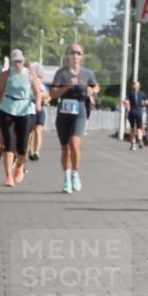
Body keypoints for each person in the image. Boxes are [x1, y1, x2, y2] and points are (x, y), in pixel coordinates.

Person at [47, 43, 99, 194]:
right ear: (67, 56)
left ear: (82, 56)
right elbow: (52, 94)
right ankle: (66, 178)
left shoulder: (87, 73)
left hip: (80, 111)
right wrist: (67, 86)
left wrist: (92, 90)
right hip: (63, 112)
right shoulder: (61, 73)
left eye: (78, 53)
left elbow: (96, 87)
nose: (75, 56)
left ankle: (75, 173)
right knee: (65, 147)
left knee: (74, 143)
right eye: (73, 53)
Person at [0, 49, 41, 186]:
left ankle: (19, 167)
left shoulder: (30, 73)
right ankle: (8, 175)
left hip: (24, 110)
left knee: (22, 146)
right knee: (8, 142)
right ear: (12, 62)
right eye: (15, 61)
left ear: (23, 61)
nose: (18, 64)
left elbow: (37, 92)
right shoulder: (6, 74)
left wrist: (39, 104)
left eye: (20, 61)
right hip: (7, 109)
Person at [26, 63, 50, 161]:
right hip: (30, 110)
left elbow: (48, 96)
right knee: (30, 133)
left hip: (39, 110)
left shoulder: (41, 84)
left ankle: (36, 152)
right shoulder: (28, 82)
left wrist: (42, 98)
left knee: (38, 131)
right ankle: (29, 150)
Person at [124, 80, 148, 150]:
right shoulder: (142, 93)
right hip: (139, 112)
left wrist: (125, 104)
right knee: (139, 128)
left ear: (133, 86)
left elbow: (125, 101)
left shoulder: (130, 93)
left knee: (132, 129)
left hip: (131, 112)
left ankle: (133, 145)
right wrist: (142, 104)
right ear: (139, 86)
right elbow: (146, 102)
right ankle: (140, 139)